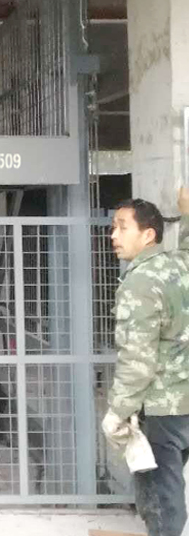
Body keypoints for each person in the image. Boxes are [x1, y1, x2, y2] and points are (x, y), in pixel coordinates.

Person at [102, 187, 189, 536]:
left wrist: (118, 411)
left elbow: (137, 359)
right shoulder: (180, 265)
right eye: (113, 227)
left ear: (148, 234)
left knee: (160, 501)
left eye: (122, 227)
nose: (113, 235)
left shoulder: (140, 282)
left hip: (161, 408)